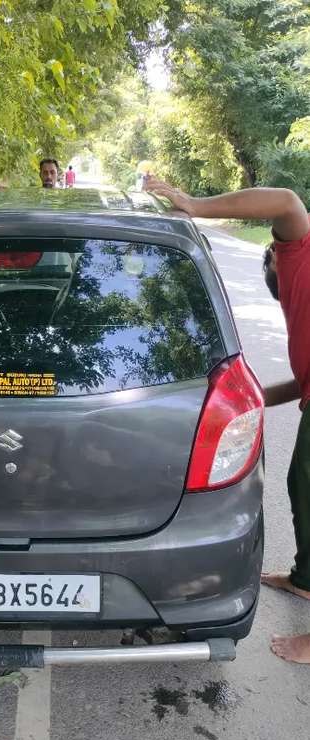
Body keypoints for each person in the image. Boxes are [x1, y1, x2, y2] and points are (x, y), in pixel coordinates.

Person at [144, 173, 310, 664]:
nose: (279, 299)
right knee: (302, 489)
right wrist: (246, 397)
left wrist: (193, 205)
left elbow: (284, 200)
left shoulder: (298, 254)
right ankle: (305, 580)